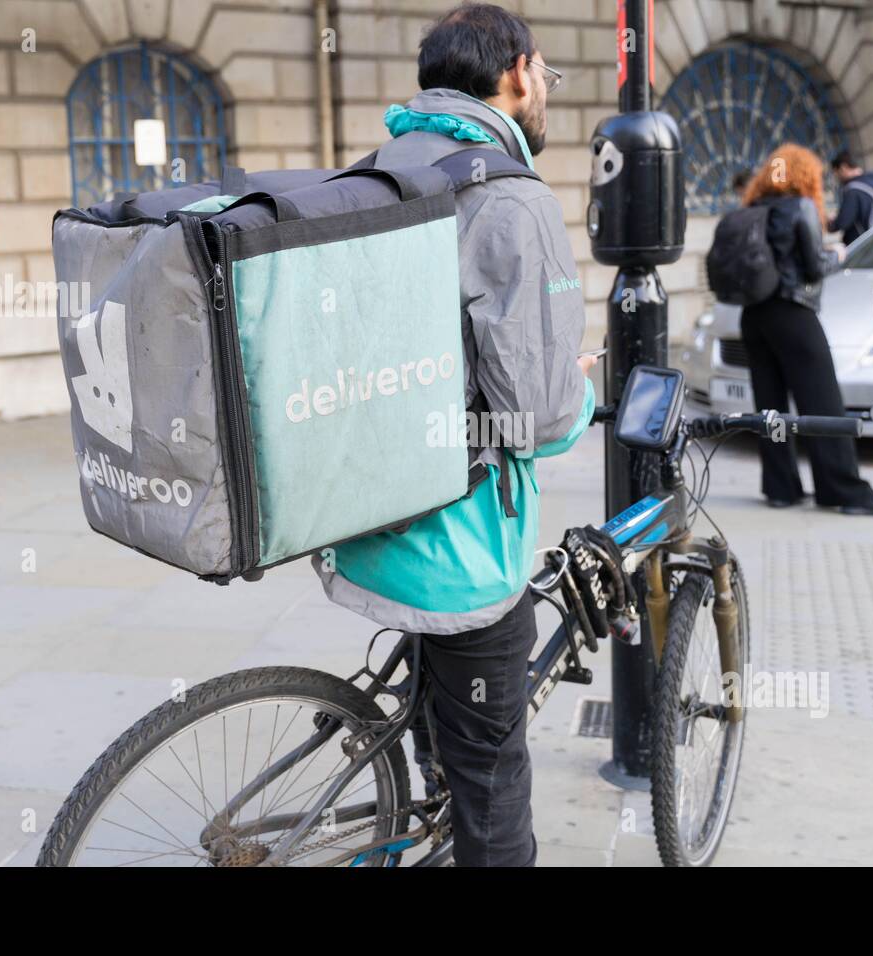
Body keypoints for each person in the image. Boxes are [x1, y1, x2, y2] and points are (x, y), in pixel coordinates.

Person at [312, 2, 594, 867]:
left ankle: (425, 788)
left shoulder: (369, 174)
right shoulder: (512, 201)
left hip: (363, 525)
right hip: (459, 548)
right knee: (492, 775)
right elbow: (539, 422)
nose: (547, 90)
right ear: (515, 70)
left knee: (447, 724)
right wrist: (578, 390)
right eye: (546, 73)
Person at [738, 144, 873, 517]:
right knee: (824, 404)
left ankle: (781, 489)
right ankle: (843, 490)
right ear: (805, 176)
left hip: (754, 317)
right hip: (793, 314)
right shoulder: (800, 207)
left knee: (771, 407)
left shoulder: (753, 209)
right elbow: (814, 267)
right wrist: (838, 256)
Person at [828, 150, 873, 244]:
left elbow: (842, 222)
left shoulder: (854, 190)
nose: (837, 177)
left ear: (844, 167)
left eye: (837, 173)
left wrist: (832, 222)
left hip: (863, 248)